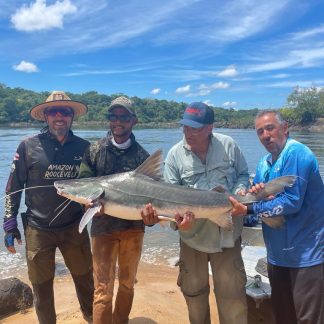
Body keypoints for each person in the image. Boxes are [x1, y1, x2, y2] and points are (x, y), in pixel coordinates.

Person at [3, 91, 94, 324]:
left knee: (86, 282)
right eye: (54, 111)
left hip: (75, 227)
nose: (59, 116)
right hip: (38, 229)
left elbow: (96, 187)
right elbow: (13, 188)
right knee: (42, 290)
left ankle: (93, 319)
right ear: (45, 116)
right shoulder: (27, 146)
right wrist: (9, 224)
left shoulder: (85, 148)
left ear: (72, 116)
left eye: (65, 111)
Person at [230, 110, 324, 324]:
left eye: (270, 128)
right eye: (260, 131)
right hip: (276, 255)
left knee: (308, 318)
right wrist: (248, 199)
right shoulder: (264, 163)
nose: (265, 135)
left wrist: (250, 209)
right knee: (283, 317)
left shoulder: (297, 153)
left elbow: (291, 202)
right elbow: (261, 207)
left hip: (306, 255)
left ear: (285, 127)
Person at [162, 102, 249, 324]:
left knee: (233, 300)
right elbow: (168, 199)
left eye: (195, 128)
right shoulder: (174, 156)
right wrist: (178, 222)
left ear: (210, 128)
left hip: (227, 237)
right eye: (185, 127)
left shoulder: (229, 145)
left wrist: (240, 190)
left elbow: (242, 174)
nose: (188, 132)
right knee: (195, 298)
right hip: (193, 239)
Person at [78, 96, 152, 324]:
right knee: (102, 291)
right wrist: (87, 204)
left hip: (133, 230)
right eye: (113, 117)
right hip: (103, 230)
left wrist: (151, 219)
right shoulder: (94, 150)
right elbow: (83, 184)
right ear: (109, 120)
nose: (118, 122)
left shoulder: (143, 157)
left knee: (128, 285)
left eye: (124, 117)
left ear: (134, 120)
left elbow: (155, 204)